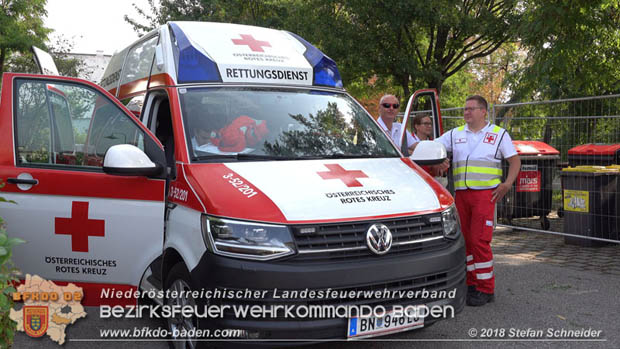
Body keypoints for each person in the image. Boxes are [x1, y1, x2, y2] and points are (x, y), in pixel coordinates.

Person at [435, 95, 520, 307]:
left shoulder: (499, 134)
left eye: (471, 109)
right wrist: (439, 158)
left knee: (479, 241)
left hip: (485, 195)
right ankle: (472, 284)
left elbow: (515, 160)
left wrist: (507, 184)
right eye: (464, 109)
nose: (466, 112)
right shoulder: (455, 134)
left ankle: (486, 289)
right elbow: (431, 147)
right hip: (462, 195)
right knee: (465, 241)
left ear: (483, 112)